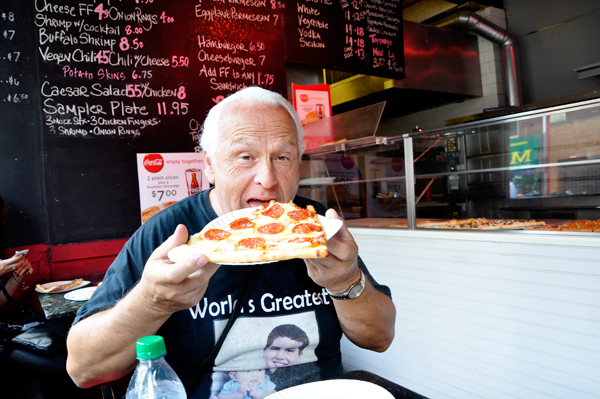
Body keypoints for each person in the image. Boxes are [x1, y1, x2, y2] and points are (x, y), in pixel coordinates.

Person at [66, 86, 396, 398]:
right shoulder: (168, 233)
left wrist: (346, 281)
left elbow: (379, 338)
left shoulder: (313, 226)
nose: (267, 179)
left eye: (282, 157)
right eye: (244, 157)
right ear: (209, 165)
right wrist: (153, 300)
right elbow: (84, 369)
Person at [263, 324, 319, 391]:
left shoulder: (310, 378)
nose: (280, 356)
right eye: (275, 349)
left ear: (300, 356)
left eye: (289, 350)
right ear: (264, 351)